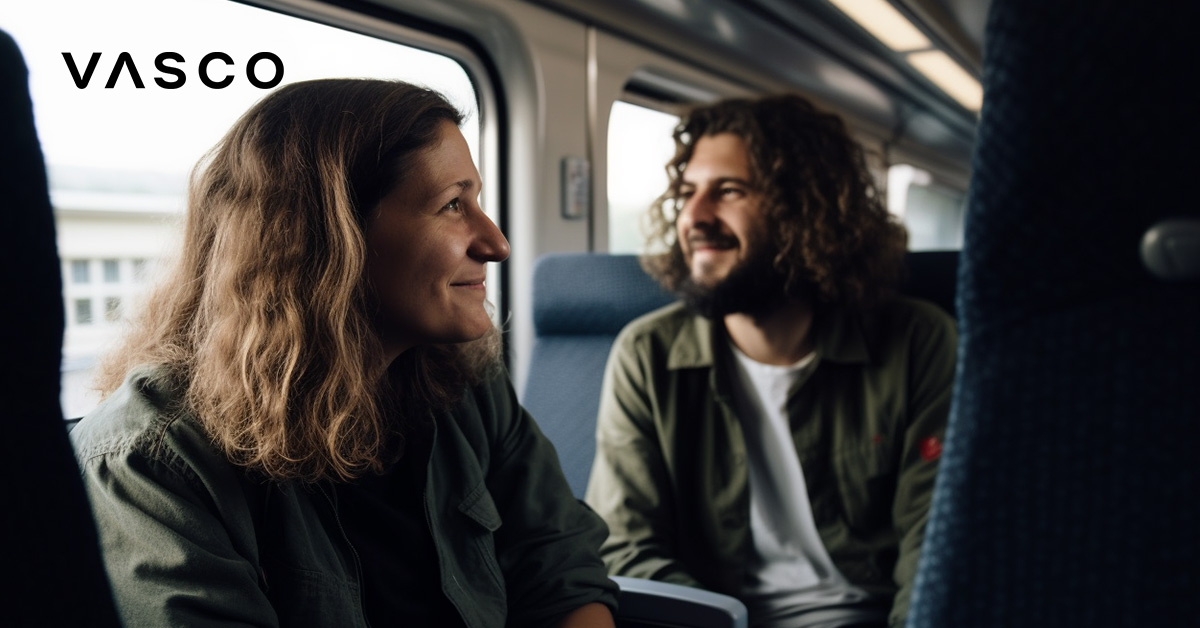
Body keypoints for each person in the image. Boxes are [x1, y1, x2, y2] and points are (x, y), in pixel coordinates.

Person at [71, 78, 617, 628]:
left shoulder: (467, 381)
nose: (496, 243)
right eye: (452, 205)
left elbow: (561, 568)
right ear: (331, 237)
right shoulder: (155, 462)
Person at [585, 94, 957, 628]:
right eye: (687, 193)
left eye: (729, 191)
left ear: (807, 209)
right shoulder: (646, 356)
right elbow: (623, 546)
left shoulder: (919, 343)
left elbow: (936, 550)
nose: (694, 217)